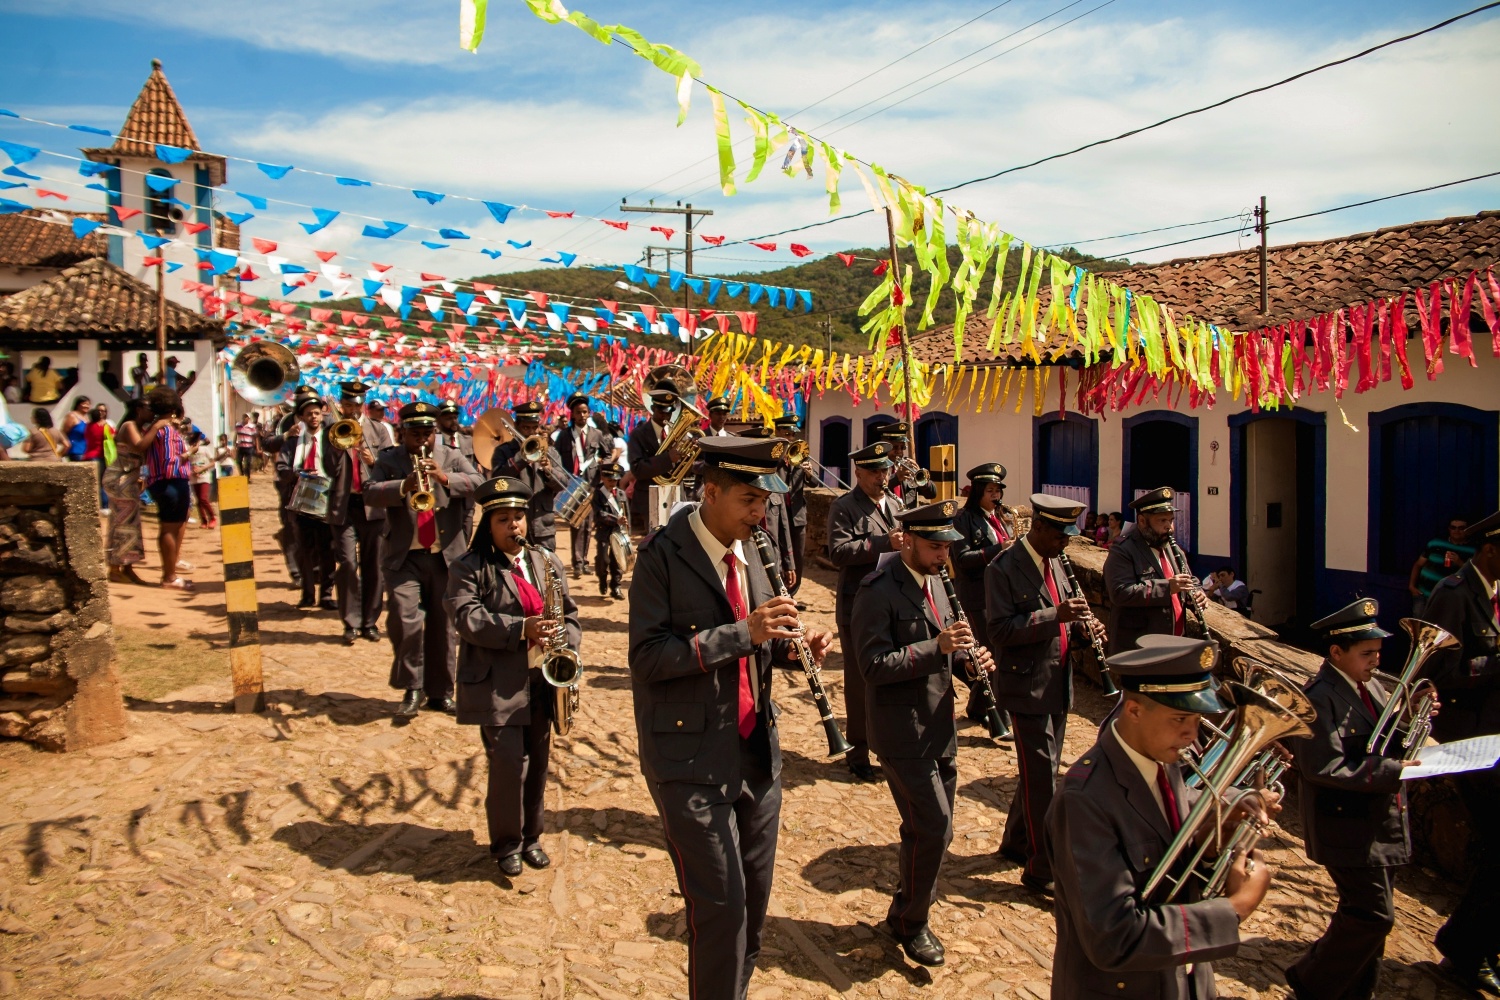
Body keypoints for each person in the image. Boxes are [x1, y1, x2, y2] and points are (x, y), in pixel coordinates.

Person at [628, 435, 831, 1000]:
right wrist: (745, 633)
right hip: (689, 759)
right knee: (720, 910)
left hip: (755, 755)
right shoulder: (660, 558)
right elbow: (647, 659)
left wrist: (797, 647)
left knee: (753, 908)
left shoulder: (754, 548)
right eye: (748, 500)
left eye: (765, 502)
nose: (760, 513)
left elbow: (766, 643)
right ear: (710, 492)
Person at [1048, 634, 1273, 999]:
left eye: (1198, 719)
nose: (1192, 734)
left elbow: (1168, 827)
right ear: (1134, 710)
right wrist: (1236, 908)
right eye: (1180, 718)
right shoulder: (1083, 800)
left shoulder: (1159, 756)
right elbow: (1114, 937)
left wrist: (1218, 821)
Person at [852, 499, 995, 966]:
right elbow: (873, 666)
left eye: (946, 548)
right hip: (900, 730)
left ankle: (904, 910)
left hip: (939, 725)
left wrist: (973, 668)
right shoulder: (877, 590)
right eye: (934, 547)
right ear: (907, 540)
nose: (943, 557)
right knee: (932, 825)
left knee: (937, 831)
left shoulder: (938, 584)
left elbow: (948, 655)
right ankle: (913, 922)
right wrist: (936, 646)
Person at [1285, 598, 1431, 1000]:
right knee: (1372, 915)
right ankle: (1309, 981)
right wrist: (1393, 772)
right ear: (1336, 652)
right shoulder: (1319, 697)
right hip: (1344, 824)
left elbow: (1385, 740)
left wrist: (1415, 717)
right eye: (1367, 653)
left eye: (1378, 653)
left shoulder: (1373, 685)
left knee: (1368, 918)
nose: (1376, 661)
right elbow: (1324, 767)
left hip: (1378, 821)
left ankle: (1356, 992)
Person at [448, 475, 581, 879]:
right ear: (488, 526)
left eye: (519, 518)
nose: (514, 527)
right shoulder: (468, 567)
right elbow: (465, 617)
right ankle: (506, 843)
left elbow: (570, 614)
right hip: (496, 684)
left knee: (538, 762)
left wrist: (567, 644)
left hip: (542, 679)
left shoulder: (545, 561)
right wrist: (519, 628)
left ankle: (532, 837)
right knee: (509, 763)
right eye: (504, 520)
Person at [985, 493, 1104, 893]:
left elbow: (1067, 626)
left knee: (1042, 772)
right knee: (1043, 781)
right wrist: (1056, 615)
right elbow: (1000, 631)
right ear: (1039, 528)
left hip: (1058, 681)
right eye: (1060, 535)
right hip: (1025, 685)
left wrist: (1086, 634)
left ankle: (1017, 842)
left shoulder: (1060, 565)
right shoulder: (1003, 569)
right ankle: (1043, 868)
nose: (1066, 543)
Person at [1424, 510, 1500, 994]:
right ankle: (1466, 947)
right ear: (1490, 549)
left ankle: (1473, 945)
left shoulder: (1494, 596)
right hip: (1468, 740)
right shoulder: (1453, 594)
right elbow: (1436, 669)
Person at [365, 401, 481, 719]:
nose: (422, 440)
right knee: (406, 620)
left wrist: (445, 479)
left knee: (444, 628)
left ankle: (441, 693)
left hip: (446, 557)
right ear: (402, 433)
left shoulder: (453, 456)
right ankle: (412, 687)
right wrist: (403, 486)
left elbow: (480, 486)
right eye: (415, 434)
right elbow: (370, 491)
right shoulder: (389, 459)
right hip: (405, 557)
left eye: (427, 434)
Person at [827, 440, 903, 783]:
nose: (881, 476)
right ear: (858, 473)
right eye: (873, 471)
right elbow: (839, 552)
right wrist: (886, 543)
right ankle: (858, 751)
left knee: (891, 678)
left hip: (894, 603)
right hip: (857, 604)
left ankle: (887, 745)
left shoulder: (898, 503)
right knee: (859, 682)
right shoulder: (844, 507)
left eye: (885, 469)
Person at [951, 462, 1017, 729]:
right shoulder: (963, 520)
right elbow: (962, 559)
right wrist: (1000, 548)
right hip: (976, 597)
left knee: (995, 654)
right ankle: (991, 711)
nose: (996, 495)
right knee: (987, 654)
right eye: (990, 490)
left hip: (1001, 595)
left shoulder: (1000, 517)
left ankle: (978, 708)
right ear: (977, 491)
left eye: (997, 490)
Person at [1103, 487, 1207, 653]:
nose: (1169, 527)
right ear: (1143, 521)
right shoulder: (1123, 550)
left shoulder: (1173, 548)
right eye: (1162, 521)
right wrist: (1167, 587)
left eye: (1171, 520)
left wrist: (1197, 592)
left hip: (1174, 643)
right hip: (1139, 648)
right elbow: (1120, 592)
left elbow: (1189, 579)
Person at [326, 382, 385, 645]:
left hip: (373, 506)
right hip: (345, 505)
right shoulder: (332, 430)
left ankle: (369, 622)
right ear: (342, 405)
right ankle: (350, 622)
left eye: (355, 405)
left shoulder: (379, 429)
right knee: (348, 564)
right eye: (346, 405)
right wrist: (339, 447)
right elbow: (328, 468)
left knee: (374, 565)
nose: (350, 410)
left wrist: (375, 462)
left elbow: (391, 468)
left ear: (362, 404)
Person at [276, 396, 336, 610]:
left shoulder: (331, 440)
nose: (313, 416)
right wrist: (297, 474)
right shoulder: (292, 442)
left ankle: (327, 594)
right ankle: (308, 594)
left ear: (322, 415)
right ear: (301, 417)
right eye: (309, 413)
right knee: (305, 550)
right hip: (299, 501)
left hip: (326, 500)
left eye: (317, 413)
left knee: (328, 549)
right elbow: (281, 468)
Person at [487, 400, 569, 552]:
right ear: (516, 427)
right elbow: (498, 481)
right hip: (514, 526)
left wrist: (549, 470)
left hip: (543, 526)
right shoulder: (503, 452)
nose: (530, 432)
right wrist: (522, 457)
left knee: (546, 569)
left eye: (534, 427)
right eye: (525, 428)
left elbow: (563, 483)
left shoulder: (550, 452)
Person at [141, 387, 193, 590]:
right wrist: (188, 455)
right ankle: (169, 577)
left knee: (171, 526)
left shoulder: (153, 427)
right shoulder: (168, 431)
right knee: (170, 528)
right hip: (172, 482)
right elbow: (171, 462)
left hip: (159, 482)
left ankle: (170, 571)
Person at [553, 394, 609, 578]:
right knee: (575, 523)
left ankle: (584, 560)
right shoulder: (564, 435)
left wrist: (602, 463)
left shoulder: (596, 434)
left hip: (592, 485)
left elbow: (608, 454)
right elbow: (557, 458)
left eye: (585, 412)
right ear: (573, 414)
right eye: (578, 412)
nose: (582, 415)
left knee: (588, 524)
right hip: (573, 485)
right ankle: (576, 563)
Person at [102, 398, 151, 584]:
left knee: (131, 524)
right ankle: (115, 567)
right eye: (149, 409)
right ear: (139, 409)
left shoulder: (139, 428)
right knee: (122, 524)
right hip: (120, 479)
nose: (152, 413)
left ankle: (127, 566)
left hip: (130, 479)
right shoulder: (129, 426)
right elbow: (140, 446)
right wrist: (158, 426)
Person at [625, 381, 684, 532]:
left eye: (669, 411)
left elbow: (684, 471)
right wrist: (668, 459)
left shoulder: (678, 434)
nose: (665, 415)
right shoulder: (638, 434)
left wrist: (686, 457)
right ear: (652, 408)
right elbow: (637, 469)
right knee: (654, 545)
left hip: (675, 496)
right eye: (661, 411)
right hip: (650, 499)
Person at [1408, 516, 1474, 618]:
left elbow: (1474, 574)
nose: (1456, 531)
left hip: (1449, 599)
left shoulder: (1472, 550)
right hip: (1424, 594)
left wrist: (1460, 562)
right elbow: (1418, 564)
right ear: (1449, 529)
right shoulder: (1436, 543)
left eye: (1461, 528)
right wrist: (1412, 586)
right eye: (1453, 527)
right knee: (1419, 627)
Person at [773, 414, 808, 598]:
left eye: (793, 434)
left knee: (798, 559)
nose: (790, 438)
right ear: (777, 432)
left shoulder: (799, 454)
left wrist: (808, 473)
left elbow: (814, 484)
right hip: (778, 514)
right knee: (780, 557)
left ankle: (792, 595)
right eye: (787, 433)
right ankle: (779, 594)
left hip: (797, 515)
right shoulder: (774, 455)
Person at [591, 462, 629, 599]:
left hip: (618, 533)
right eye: (610, 480)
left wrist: (626, 530)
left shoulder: (621, 494)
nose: (613, 482)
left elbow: (626, 514)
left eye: (615, 480)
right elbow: (599, 514)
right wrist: (615, 520)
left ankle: (616, 586)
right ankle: (602, 579)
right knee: (603, 560)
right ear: (603, 478)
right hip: (604, 532)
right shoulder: (598, 494)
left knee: (617, 561)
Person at [62, 395, 90, 462]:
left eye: (88, 404)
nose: (87, 406)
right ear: (78, 404)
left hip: (86, 451)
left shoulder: (86, 418)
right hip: (76, 451)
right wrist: (66, 445)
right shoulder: (72, 416)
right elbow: (63, 432)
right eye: (84, 404)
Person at [234, 414, 260, 479]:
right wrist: (234, 444)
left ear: (248, 418)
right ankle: (242, 474)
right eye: (244, 416)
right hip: (241, 446)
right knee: (238, 461)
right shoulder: (238, 425)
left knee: (247, 462)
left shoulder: (252, 426)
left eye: (246, 417)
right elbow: (236, 434)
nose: (245, 418)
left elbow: (256, 437)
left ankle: (247, 477)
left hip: (249, 447)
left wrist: (257, 448)